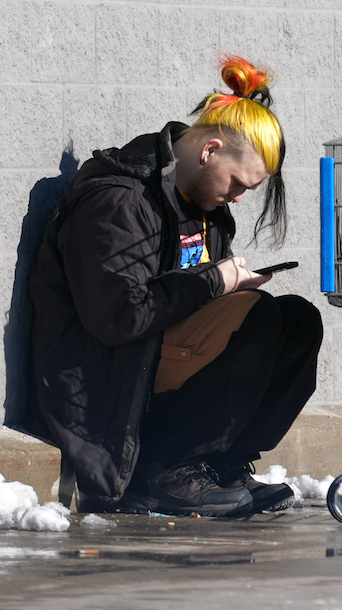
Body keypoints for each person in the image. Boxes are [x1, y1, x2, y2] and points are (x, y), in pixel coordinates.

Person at [28, 54, 323, 517]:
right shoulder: (121, 201)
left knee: (298, 320)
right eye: (237, 183)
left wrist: (228, 285)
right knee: (260, 316)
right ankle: (166, 467)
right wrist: (215, 282)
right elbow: (119, 318)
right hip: (111, 371)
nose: (239, 198)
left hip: (158, 357)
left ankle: (219, 461)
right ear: (209, 151)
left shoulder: (205, 206)